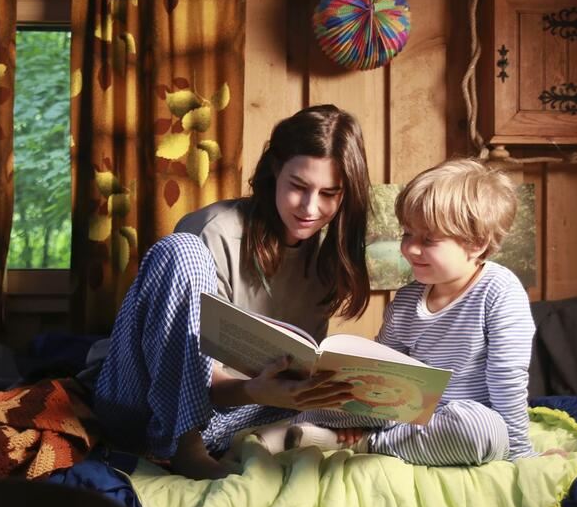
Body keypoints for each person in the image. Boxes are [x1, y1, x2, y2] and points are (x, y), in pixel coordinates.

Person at [92, 104, 373, 479]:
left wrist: (303, 393)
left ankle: (292, 434)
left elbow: (286, 377)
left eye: (329, 193)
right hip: (142, 405)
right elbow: (189, 374)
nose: (310, 207)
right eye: (299, 187)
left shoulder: (326, 260)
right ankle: (184, 447)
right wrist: (259, 391)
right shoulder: (213, 231)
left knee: (367, 409)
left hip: (232, 412)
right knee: (180, 251)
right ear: (275, 170)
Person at [277, 158, 537, 466]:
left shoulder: (500, 291)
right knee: (322, 397)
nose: (410, 249)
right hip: (401, 411)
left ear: (476, 244)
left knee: (485, 432)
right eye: (407, 234)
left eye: (428, 239)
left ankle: (366, 444)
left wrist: (521, 452)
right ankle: (292, 432)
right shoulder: (407, 298)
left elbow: (507, 378)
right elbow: (382, 370)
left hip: (459, 418)